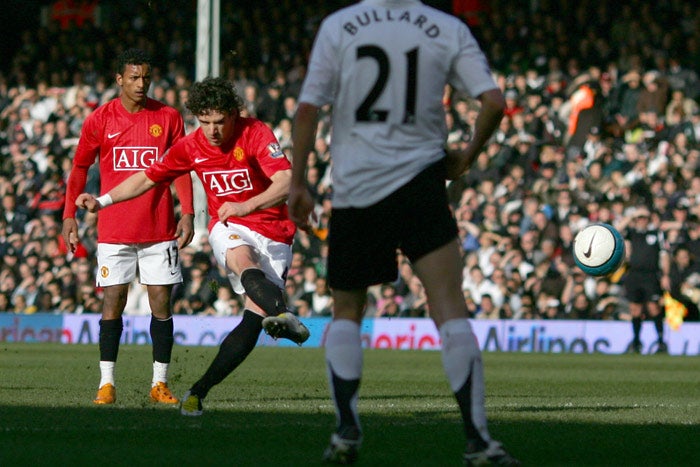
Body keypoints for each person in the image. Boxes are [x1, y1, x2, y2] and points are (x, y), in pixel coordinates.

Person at [289, 1, 518, 465]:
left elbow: (308, 109)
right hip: (421, 183)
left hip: (357, 188)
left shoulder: (339, 26)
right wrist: (468, 155)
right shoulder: (445, 27)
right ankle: (477, 440)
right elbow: (494, 102)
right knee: (448, 305)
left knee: (348, 310)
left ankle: (347, 431)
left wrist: (298, 181)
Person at [73, 76, 310, 417]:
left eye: (219, 122)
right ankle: (283, 313)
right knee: (242, 262)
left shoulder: (255, 132)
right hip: (228, 225)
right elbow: (145, 177)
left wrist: (246, 205)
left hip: (274, 231)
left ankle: (198, 391)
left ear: (234, 115)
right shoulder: (192, 145)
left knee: (252, 321)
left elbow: (286, 181)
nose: (212, 131)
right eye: (205, 122)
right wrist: (103, 199)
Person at [61, 48, 195, 405]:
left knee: (161, 304)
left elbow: (180, 167)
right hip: (115, 229)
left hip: (159, 226)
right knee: (112, 303)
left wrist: (188, 212)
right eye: (133, 77)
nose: (141, 84)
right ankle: (107, 383)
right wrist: (68, 215)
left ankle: (159, 384)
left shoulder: (167, 117)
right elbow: (79, 168)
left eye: (146, 78)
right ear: (119, 79)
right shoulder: (100, 118)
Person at [620, 206, 671, 354]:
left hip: (651, 275)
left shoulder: (656, 233)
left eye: (644, 218)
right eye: (639, 218)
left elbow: (664, 255)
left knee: (653, 307)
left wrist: (665, 275)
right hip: (634, 275)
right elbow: (617, 230)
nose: (642, 221)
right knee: (635, 309)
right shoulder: (632, 233)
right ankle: (636, 341)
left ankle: (661, 341)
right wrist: (631, 215)